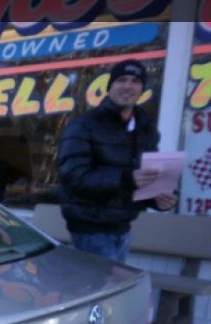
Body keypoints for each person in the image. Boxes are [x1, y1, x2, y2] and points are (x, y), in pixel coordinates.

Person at [57, 59, 177, 261]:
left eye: (135, 81)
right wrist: (127, 179)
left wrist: (158, 198)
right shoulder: (84, 125)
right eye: (121, 80)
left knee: (114, 281)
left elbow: (144, 176)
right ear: (110, 86)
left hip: (123, 228)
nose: (128, 86)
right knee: (102, 282)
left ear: (142, 89)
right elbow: (73, 177)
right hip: (91, 230)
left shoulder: (145, 128)